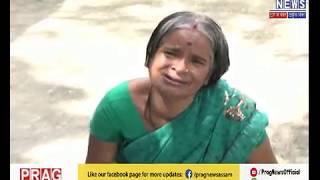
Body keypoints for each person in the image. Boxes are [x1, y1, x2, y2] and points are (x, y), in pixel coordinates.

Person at [85, 11, 277, 163]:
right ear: (150, 56)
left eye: (197, 61)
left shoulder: (232, 115)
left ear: (210, 75)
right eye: (170, 53)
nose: (180, 67)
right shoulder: (117, 107)